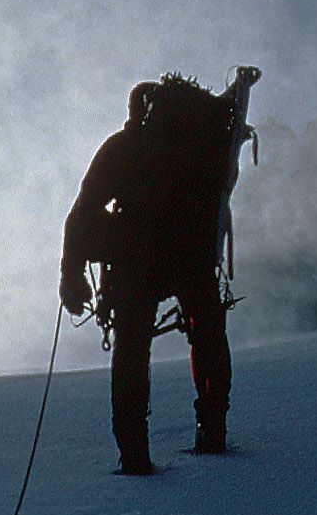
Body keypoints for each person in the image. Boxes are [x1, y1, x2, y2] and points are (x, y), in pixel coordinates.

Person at [60, 73, 251, 474]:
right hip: (192, 257)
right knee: (208, 333)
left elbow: (81, 215)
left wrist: (72, 275)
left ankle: (134, 455)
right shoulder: (200, 144)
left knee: (132, 349)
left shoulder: (121, 148)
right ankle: (212, 432)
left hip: (136, 262)